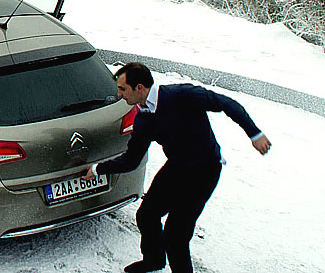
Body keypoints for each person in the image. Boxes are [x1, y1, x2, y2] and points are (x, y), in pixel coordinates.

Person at [83, 62, 271, 273]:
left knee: (175, 237)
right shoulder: (144, 119)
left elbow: (227, 104)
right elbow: (132, 160)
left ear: (140, 88)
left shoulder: (182, 95)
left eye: (122, 89)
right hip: (177, 168)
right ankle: (154, 260)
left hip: (204, 171)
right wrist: (98, 169)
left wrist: (254, 134)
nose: (119, 95)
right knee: (147, 215)